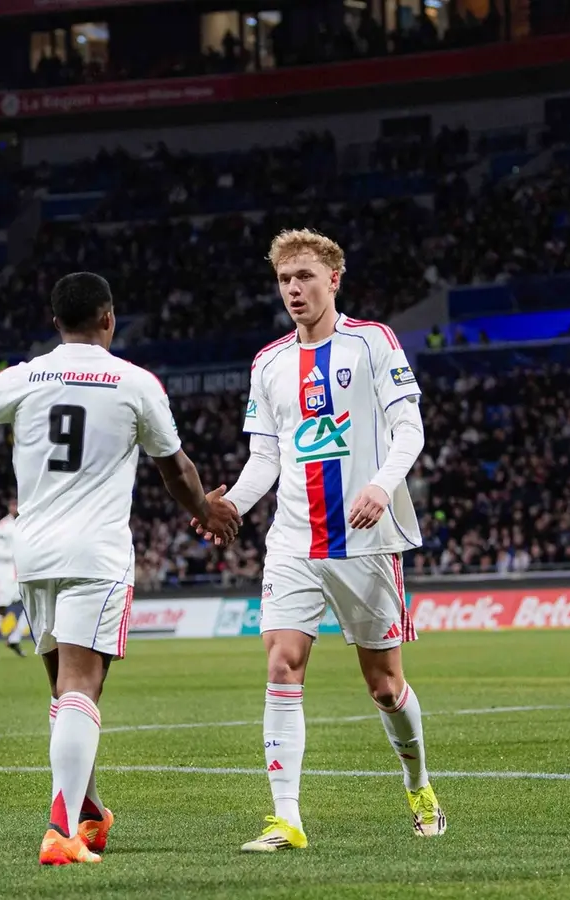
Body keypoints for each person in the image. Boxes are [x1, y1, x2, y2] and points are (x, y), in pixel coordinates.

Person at [0, 271, 240, 867]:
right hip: (95, 554)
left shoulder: (24, 376)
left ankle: (90, 811)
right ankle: (61, 830)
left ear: (55, 323)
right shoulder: (134, 382)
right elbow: (174, 467)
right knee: (81, 685)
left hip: (34, 554)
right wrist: (208, 511)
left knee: (65, 687)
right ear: (109, 318)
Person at [194, 228, 442, 852]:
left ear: (335, 279)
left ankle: (419, 785)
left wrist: (383, 486)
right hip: (294, 541)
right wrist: (229, 507)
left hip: (365, 540)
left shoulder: (373, 342)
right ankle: (287, 819)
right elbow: (265, 459)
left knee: (385, 686)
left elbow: (409, 429)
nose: (294, 290)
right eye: (284, 280)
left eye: (305, 277)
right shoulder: (269, 362)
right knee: (282, 663)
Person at [0, 498, 28, 658]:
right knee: (0, 609)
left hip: (19, 573)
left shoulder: (26, 523)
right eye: (13, 504)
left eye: (18, 504)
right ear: (9, 507)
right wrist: (18, 555)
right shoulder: (3, 526)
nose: (15, 507)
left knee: (31, 605)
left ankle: (14, 638)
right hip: (3, 574)